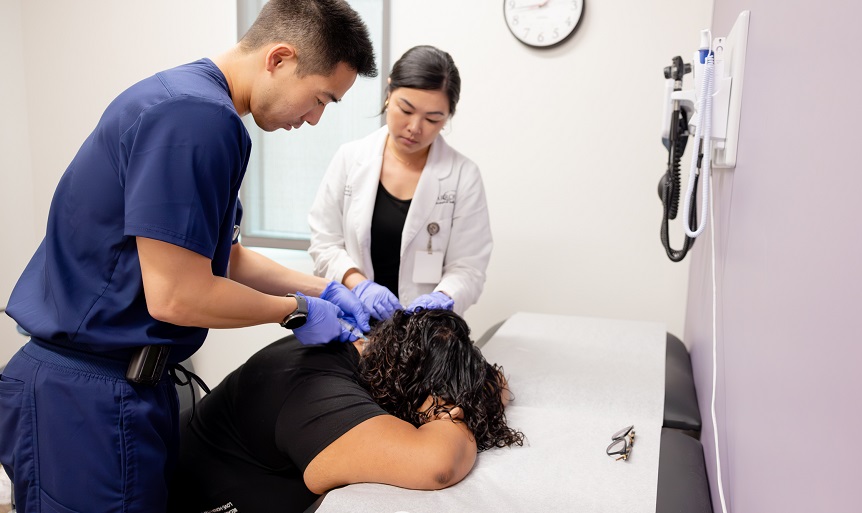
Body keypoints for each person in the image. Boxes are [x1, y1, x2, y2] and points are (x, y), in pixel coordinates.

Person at [0, 1, 379, 512]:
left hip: (116, 387)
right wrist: (294, 311)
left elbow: (224, 257)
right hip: (86, 399)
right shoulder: (198, 119)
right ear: (280, 58)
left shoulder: (186, 100)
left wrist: (331, 288)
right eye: (319, 99)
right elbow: (177, 296)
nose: (313, 120)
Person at [167, 309, 524, 513]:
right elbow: (437, 465)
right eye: (445, 397)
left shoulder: (368, 355)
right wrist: (449, 411)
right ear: (424, 393)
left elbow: (499, 381)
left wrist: (477, 387)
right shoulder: (321, 392)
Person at [309, 45, 492, 321]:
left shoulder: (463, 175)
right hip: (352, 321)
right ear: (389, 91)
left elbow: (469, 268)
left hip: (425, 331)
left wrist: (443, 298)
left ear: (448, 117)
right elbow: (324, 242)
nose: (415, 128)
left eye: (433, 119)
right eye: (405, 110)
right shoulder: (351, 158)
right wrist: (358, 284)